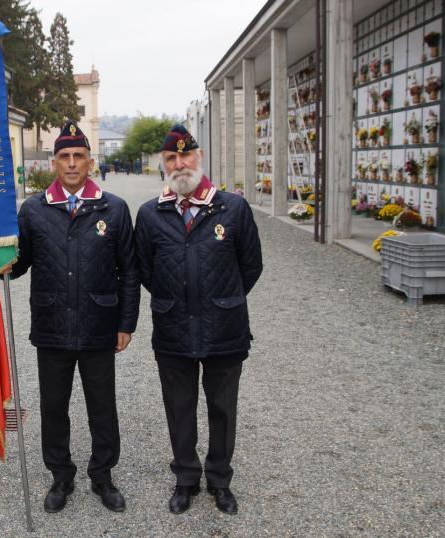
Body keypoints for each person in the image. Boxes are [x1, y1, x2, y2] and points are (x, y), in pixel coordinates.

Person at [11, 120, 140, 514]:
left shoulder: (113, 208)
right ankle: (60, 476)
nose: (71, 163)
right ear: (53, 163)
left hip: (99, 326)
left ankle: (102, 476)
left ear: (89, 162)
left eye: (78, 156)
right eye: (64, 156)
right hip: (51, 326)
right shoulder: (33, 209)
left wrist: (126, 323)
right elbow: (20, 263)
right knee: (54, 406)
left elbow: (130, 270)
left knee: (102, 405)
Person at [134, 124, 263, 516]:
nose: (179, 163)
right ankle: (186, 478)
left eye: (185, 155)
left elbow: (251, 266)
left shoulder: (233, 208)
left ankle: (220, 479)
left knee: (223, 407)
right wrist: (177, 298)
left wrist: (222, 299)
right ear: (164, 164)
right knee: (179, 406)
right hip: (173, 327)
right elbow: (145, 270)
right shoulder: (151, 214)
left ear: (199, 156)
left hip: (225, 327)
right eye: (171, 158)